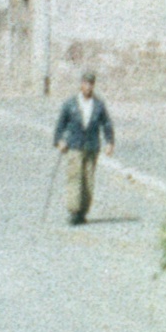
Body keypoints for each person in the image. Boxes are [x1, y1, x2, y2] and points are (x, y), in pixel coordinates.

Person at [51, 71, 116, 226]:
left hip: (91, 146)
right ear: (80, 84)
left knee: (88, 179)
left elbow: (106, 123)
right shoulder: (70, 104)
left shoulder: (98, 105)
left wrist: (109, 142)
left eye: (91, 83)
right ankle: (73, 211)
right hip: (74, 146)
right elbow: (60, 125)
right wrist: (58, 141)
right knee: (74, 177)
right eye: (85, 83)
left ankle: (83, 211)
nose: (88, 86)